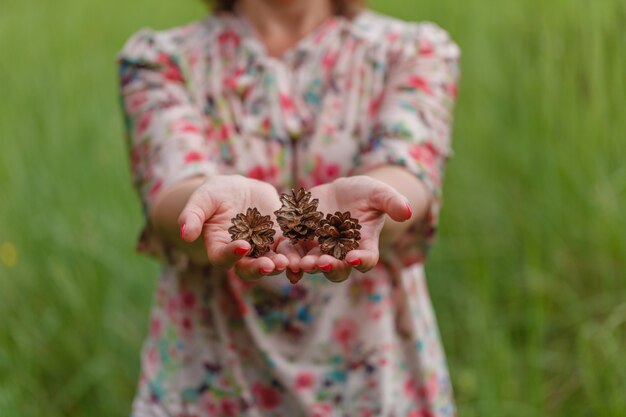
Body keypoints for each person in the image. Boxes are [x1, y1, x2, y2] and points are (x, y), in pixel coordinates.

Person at [118, 0, 460, 415]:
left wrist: (377, 202)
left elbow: (407, 170)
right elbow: (171, 188)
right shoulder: (160, 61)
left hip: (372, 384)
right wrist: (204, 203)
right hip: (213, 383)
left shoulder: (414, 50)